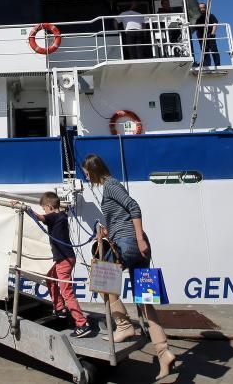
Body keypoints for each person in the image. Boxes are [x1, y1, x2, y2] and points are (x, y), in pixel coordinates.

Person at [82, 154, 177, 381]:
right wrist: (109, 230)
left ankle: (123, 325)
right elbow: (123, 216)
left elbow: (134, 207)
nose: (85, 176)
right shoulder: (110, 188)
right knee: (144, 303)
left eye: (86, 172)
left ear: (93, 169)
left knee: (101, 279)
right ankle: (164, 353)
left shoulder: (111, 186)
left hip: (130, 244)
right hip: (135, 245)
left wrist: (138, 238)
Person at [27, 192, 96, 339]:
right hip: (66, 258)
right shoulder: (62, 216)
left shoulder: (53, 216)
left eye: (44, 208)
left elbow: (39, 217)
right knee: (50, 277)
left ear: (50, 207)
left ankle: (82, 323)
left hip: (63, 260)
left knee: (67, 292)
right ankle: (59, 308)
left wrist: (27, 209)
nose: (44, 211)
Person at [192, 2, 221, 68]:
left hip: (209, 35)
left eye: (203, 8)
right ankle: (207, 64)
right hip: (201, 37)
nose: (202, 9)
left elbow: (215, 24)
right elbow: (195, 27)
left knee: (214, 50)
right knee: (204, 51)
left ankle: (217, 64)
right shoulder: (198, 18)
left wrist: (212, 33)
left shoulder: (210, 16)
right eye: (200, 8)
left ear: (206, 8)